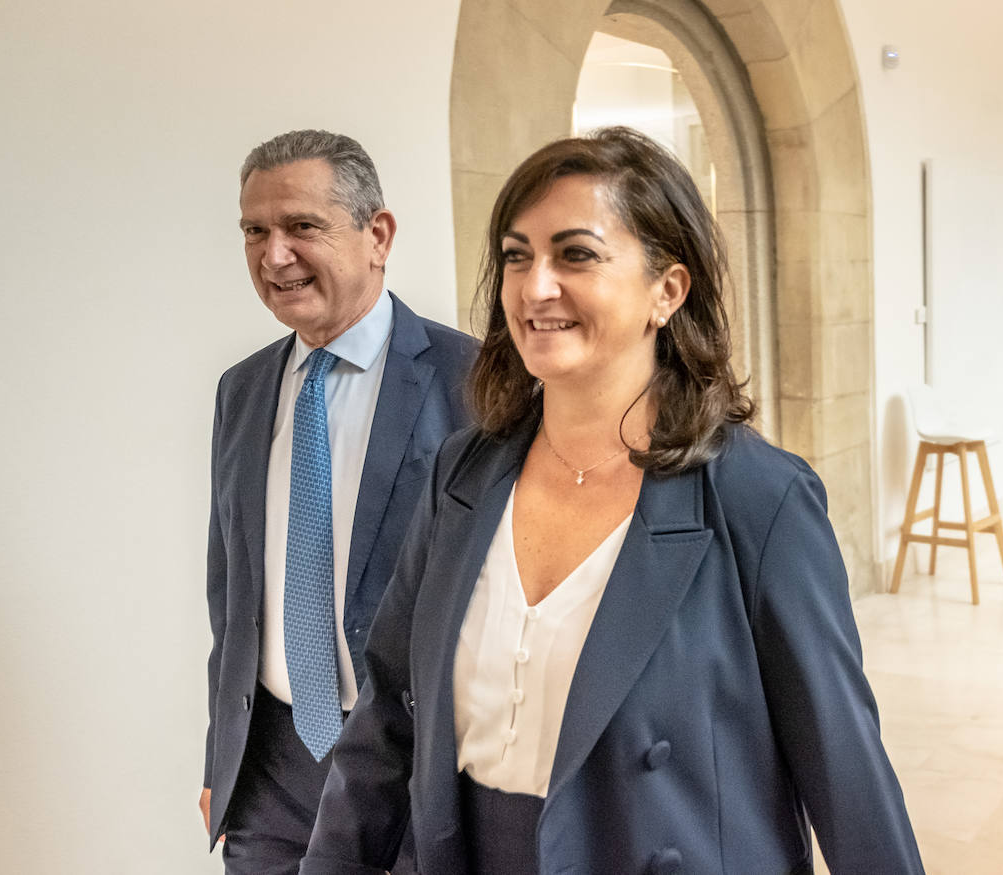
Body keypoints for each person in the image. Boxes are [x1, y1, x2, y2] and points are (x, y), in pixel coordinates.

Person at [300, 126, 924, 874]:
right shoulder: (463, 474)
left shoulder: (760, 500)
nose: (535, 287)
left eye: (576, 254)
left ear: (668, 290)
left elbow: (846, 773)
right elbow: (385, 724)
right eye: (517, 255)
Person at [201, 129, 475, 874]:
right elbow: (231, 593)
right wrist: (219, 758)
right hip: (271, 775)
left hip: (415, 767)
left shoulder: (475, 381)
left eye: (301, 227)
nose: (274, 254)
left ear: (376, 234)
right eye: (255, 231)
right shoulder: (243, 390)